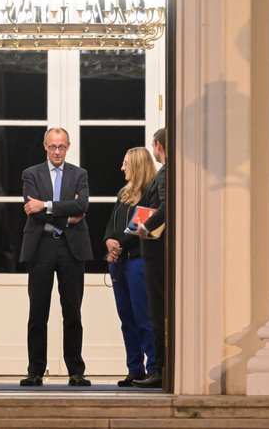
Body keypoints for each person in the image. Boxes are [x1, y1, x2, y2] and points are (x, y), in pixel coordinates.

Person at [19, 127, 93, 387]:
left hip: (71, 249)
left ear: (69, 146)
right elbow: (32, 211)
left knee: (72, 311)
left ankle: (76, 371)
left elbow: (82, 205)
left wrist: (47, 204)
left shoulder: (79, 174)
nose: (57, 151)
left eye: (62, 146)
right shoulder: (31, 174)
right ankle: (35, 371)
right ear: (45, 146)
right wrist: (68, 215)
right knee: (38, 312)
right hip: (41, 247)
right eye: (53, 146)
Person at [103, 147, 158, 387]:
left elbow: (141, 225)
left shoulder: (150, 193)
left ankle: (154, 368)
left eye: (126, 163)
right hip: (119, 264)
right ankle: (134, 368)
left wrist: (120, 245)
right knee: (126, 317)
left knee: (143, 316)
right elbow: (111, 223)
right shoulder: (123, 193)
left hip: (137, 261)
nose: (122, 168)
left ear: (136, 165)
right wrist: (108, 242)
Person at [132, 128, 167, 389]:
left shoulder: (165, 174)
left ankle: (159, 370)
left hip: (156, 250)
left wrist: (144, 227)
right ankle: (160, 368)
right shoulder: (168, 173)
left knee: (157, 313)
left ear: (158, 145)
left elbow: (165, 207)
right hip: (156, 250)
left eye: (153, 146)